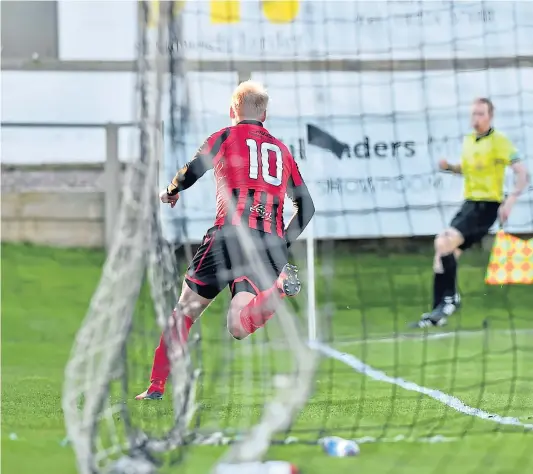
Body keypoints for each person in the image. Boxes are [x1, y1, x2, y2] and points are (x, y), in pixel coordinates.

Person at [136, 80, 315, 400]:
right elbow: (307, 207)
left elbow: (191, 171)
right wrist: (280, 245)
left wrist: (170, 191)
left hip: (229, 235)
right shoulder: (283, 151)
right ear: (265, 114)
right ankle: (277, 291)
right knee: (238, 325)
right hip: (268, 246)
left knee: (186, 310)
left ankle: (156, 386)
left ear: (232, 110)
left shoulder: (224, 136)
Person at [412, 97, 529, 328]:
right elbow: (466, 170)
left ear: (490, 116)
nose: (476, 118)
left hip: (486, 207)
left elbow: (522, 173)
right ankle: (438, 312)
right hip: (469, 205)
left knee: (442, 242)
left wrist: (510, 201)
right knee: (445, 253)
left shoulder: (500, 142)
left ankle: (450, 299)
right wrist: (449, 168)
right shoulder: (468, 141)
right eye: (473, 114)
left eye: (480, 114)